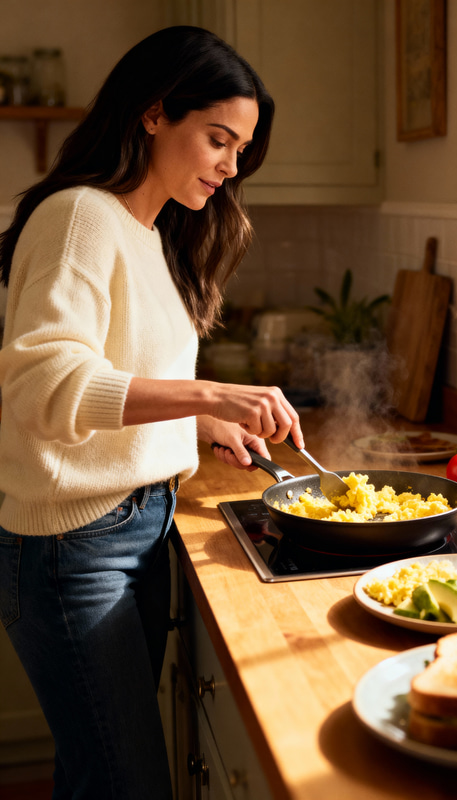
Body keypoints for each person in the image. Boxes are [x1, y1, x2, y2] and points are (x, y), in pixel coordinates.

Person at [0, 26, 303, 799]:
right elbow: (42, 387)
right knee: (125, 784)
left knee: (98, 775)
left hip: (137, 527)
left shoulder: (151, 231)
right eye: (218, 139)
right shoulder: (79, 216)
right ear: (154, 113)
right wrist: (212, 395)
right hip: (75, 547)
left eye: (241, 149)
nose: (231, 166)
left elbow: (116, 379)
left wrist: (201, 424)